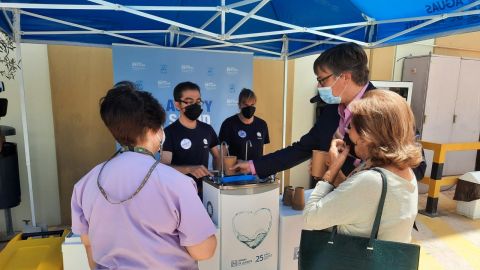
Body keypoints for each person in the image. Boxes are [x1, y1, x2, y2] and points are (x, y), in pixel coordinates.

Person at [233, 42, 426, 183]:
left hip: (371, 217)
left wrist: (359, 169)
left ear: (344, 77)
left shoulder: (386, 110)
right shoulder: (333, 109)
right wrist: (254, 166)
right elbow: (302, 148)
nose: (319, 85)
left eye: (322, 79)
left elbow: (416, 168)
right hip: (335, 207)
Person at [71, 83, 216, 269]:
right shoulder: (177, 183)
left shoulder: (85, 183)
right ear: (152, 130)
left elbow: (88, 243)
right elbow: (203, 251)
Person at [304, 90, 421, 242]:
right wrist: (337, 170)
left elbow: (311, 217)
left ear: (366, 136)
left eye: (351, 126)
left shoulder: (372, 181)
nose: (348, 131)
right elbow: (357, 197)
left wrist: (330, 172)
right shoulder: (403, 170)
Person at [161, 81, 221, 197]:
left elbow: (217, 156)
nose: (194, 105)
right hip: (179, 195)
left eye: (198, 102)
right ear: (177, 105)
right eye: (189, 102)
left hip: (206, 193)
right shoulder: (168, 133)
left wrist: (215, 181)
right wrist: (189, 169)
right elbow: (164, 168)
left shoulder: (207, 129)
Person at [219, 88, 270, 161]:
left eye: (252, 104)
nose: (249, 108)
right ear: (239, 105)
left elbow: (262, 151)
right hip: (235, 171)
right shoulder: (228, 124)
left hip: (256, 171)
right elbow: (222, 155)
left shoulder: (262, 124)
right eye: (245, 105)